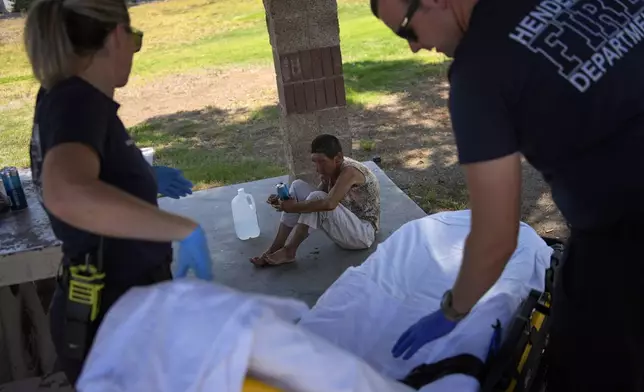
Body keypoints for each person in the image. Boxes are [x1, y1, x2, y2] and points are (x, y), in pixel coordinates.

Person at [371, 0, 644, 390]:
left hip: (626, 244)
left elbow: (495, 239)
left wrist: (451, 311)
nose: (412, 47)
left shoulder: (478, 70)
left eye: (406, 31)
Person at [23, 0, 214, 385]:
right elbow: (67, 192)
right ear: (115, 37)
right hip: (113, 317)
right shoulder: (78, 102)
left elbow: (87, 173)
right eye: (135, 39)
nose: (134, 52)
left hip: (110, 309)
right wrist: (182, 229)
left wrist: (139, 178)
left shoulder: (61, 98)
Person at [250, 134, 380, 266]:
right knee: (297, 186)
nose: (318, 168)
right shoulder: (332, 169)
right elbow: (316, 198)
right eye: (315, 162)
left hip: (363, 234)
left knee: (317, 199)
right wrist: (284, 201)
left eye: (322, 161)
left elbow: (328, 203)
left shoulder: (350, 172)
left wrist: (292, 207)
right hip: (346, 224)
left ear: (338, 158)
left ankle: (290, 251)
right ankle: (275, 248)